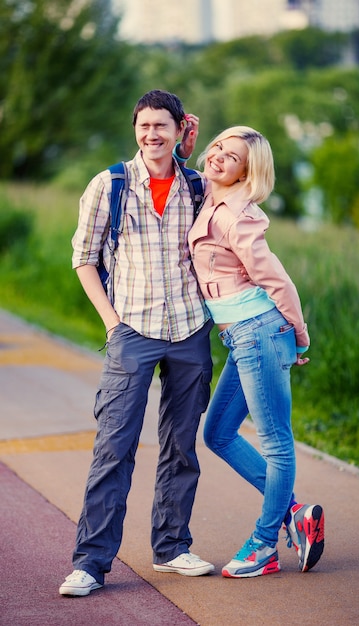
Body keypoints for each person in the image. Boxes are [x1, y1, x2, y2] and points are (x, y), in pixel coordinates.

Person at [59, 90, 214, 597]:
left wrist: (193, 151)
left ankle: (171, 548)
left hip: (191, 329)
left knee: (180, 446)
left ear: (178, 129)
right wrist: (111, 323)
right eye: (144, 126)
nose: (152, 135)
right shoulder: (110, 184)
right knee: (114, 447)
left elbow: (241, 207)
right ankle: (90, 561)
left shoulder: (198, 185)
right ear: (135, 129)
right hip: (132, 331)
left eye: (163, 126)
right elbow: (84, 258)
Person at [188, 126, 324, 578]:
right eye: (219, 148)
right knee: (218, 433)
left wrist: (299, 335)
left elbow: (277, 281)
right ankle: (296, 515)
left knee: (276, 442)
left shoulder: (239, 215)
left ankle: (265, 545)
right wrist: (189, 147)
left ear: (249, 170)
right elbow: (185, 173)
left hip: (262, 331)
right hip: (241, 337)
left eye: (233, 156)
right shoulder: (211, 192)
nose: (220, 158)